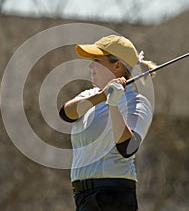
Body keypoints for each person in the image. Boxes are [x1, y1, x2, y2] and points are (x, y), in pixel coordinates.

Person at [59, 34, 156, 211]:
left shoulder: (137, 102)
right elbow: (66, 113)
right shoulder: (90, 95)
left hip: (113, 195)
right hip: (83, 196)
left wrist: (113, 105)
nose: (90, 66)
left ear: (117, 66)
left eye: (96, 61)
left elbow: (127, 147)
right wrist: (101, 96)